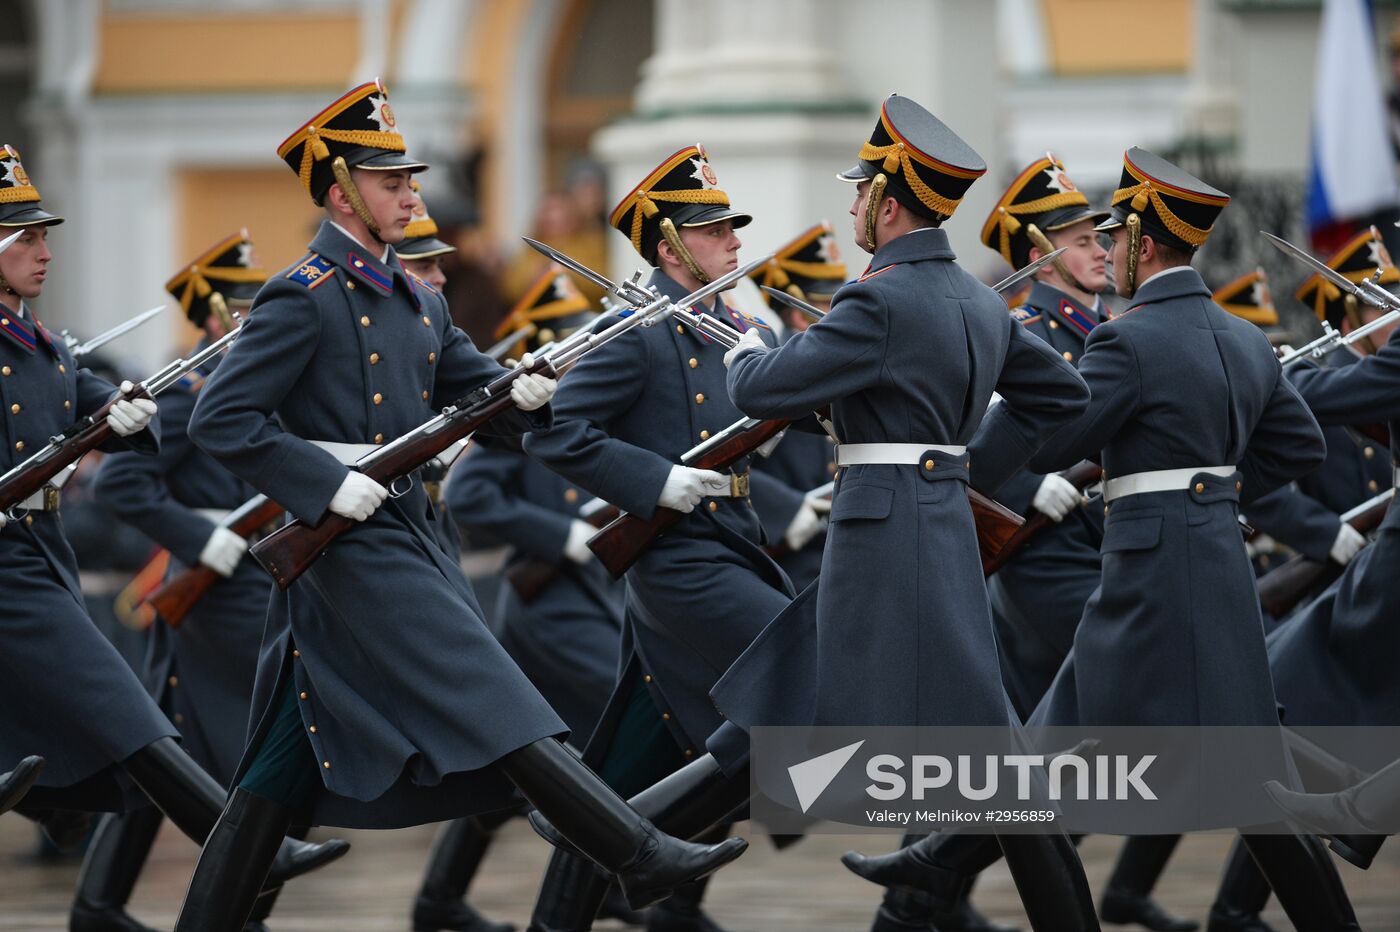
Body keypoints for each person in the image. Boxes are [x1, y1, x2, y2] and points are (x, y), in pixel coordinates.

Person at [178, 81, 743, 932]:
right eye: (390, 181)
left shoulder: (420, 298)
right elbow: (218, 418)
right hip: (349, 539)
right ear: (340, 193)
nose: (411, 193)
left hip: (406, 527)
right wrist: (323, 482)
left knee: (282, 761)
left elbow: (496, 407)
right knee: (494, 694)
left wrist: (538, 394)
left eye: (410, 179)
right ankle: (634, 853)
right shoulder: (306, 293)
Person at [843, 147, 1361, 932]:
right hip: (1213, 563)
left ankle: (935, 866)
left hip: (1148, 570)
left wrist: (967, 458)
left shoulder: (1128, 340)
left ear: (1144, 247)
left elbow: (1056, 438)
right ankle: (935, 864)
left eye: (1114, 239)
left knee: (1067, 741)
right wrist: (1213, 488)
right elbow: (1301, 450)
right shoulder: (1245, 340)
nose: (1109, 252)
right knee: (1236, 776)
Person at [717, 95, 1099, 930]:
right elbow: (1059, 396)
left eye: (860, 192)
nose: (852, 205)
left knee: (992, 769)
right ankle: (629, 842)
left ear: (888, 203)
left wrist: (747, 346)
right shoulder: (973, 297)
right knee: (787, 700)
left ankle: (622, 845)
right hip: (925, 524)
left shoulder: (878, 298)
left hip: (883, 534)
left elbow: (758, 389)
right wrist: (963, 467)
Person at [0, 143, 348, 906]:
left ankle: (70, 825)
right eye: (25, 237)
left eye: (44, 235)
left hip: (36, 553)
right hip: (19, 568)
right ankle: (240, 849)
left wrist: (121, 413)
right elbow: (127, 486)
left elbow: (101, 409)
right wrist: (202, 538)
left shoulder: (44, 346)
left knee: (120, 718)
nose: (45, 251)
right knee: (127, 713)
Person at [522, 143, 794, 932]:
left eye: (732, 226)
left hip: (733, 540)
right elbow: (561, 432)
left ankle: (581, 860)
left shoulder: (731, 324)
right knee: (803, 686)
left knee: (631, 762)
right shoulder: (635, 331)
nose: (736, 240)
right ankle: (643, 845)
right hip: (681, 560)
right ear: (670, 244)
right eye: (716, 230)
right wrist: (654, 481)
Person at [965, 154, 1194, 932]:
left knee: (1034, 747)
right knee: (1119, 715)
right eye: (1078, 238)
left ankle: (923, 883)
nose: (1102, 249)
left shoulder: (1106, 331)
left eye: (1102, 237)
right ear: (1035, 256)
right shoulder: (1015, 330)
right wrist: (1033, 487)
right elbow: (972, 439)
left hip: (1098, 545)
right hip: (1037, 554)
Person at [73, 231, 284, 932]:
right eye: (245, 309)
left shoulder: (255, 382)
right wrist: (206, 536)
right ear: (214, 317)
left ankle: (101, 905)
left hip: (249, 576)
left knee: (172, 760)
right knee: (257, 754)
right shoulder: (189, 388)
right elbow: (125, 484)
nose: (256, 320)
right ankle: (239, 908)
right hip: (219, 590)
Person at [745, 221, 845, 592]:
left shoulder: (841, 365)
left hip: (839, 544)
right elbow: (721, 456)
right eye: (828, 303)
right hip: (787, 552)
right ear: (801, 314)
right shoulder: (768, 370)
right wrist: (784, 509)